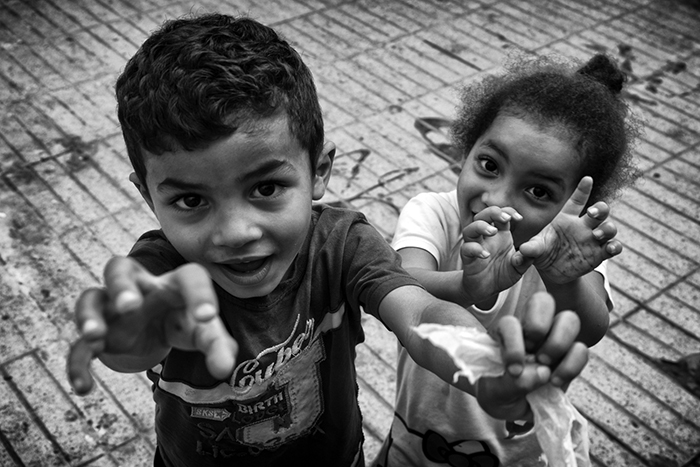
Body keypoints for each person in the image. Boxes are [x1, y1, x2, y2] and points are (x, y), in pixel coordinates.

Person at [64, 14, 588, 467]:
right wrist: (128, 332)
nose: (235, 233)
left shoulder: (341, 244)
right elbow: (126, 354)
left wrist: (483, 364)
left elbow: (420, 313)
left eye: (266, 188)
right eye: (191, 201)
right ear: (147, 195)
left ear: (319, 173)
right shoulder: (158, 269)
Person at [373, 53, 641, 466]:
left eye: (537, 192)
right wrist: (464, 285)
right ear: (466, 148)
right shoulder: (434, 214)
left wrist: (563, 279)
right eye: (489, 165)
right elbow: (399, 281)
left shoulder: (564, 250)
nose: (496, 199)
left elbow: (589, 330)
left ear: (574, 204)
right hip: (416, 439)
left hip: (518, 453)